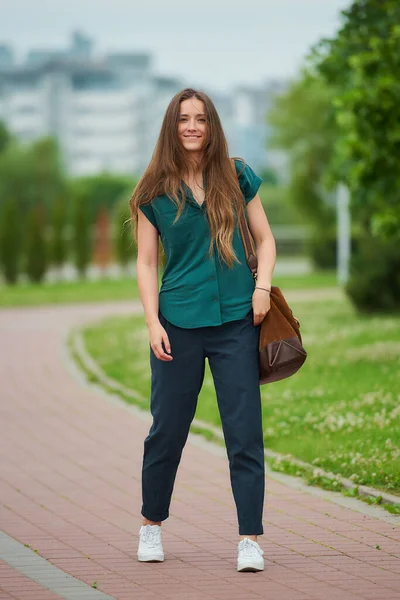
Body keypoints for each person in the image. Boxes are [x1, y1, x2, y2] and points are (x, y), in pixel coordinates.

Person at [129, 88, 276, 572]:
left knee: (244, 434)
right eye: (183, 119)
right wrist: (152, 322)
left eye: (200, 119)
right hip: (178, 325)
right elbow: (147, 262)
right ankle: (151, 525)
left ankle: (249, 540)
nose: (192, 126)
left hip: (237, 320)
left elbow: (265, 239)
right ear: (172, 127)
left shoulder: (237, 176)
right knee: (166, 431)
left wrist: (262, 289)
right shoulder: (152, 191)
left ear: (212, 126)